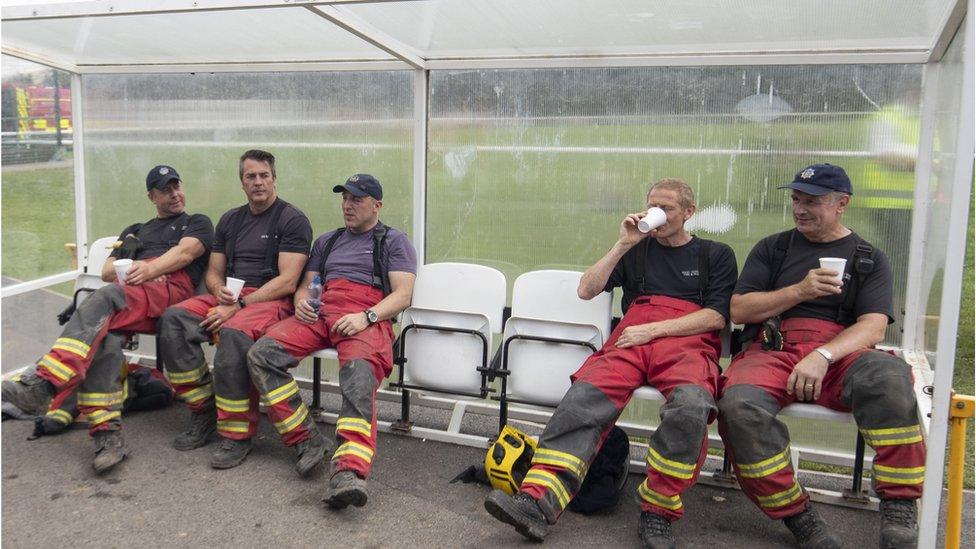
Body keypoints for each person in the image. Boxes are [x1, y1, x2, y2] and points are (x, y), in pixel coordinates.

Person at [483, 179, 738, 549]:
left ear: (689, 212)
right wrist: (623, 244)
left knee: (691, 407)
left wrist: (653, 331)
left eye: (667, 208)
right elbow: (587, 289)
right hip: (631, 342)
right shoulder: (636, 250)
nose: (658, 214)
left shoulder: (714, 254)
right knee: (583, 397)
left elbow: (716, 317)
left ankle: (658, 513)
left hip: (685, 344)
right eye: (653, 205)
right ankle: (536, 502)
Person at [717, 163, 924, 549]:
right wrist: (800, 291)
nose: (799, 209)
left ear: (841, 203)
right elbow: (740, 311)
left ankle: (899, 504)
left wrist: (823, 355)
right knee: (738, 405)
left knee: (889, 377)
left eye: (811, 201)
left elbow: (874, 327)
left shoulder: (869, 258)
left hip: (841, 352)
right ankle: (797, 515)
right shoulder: (773, 248)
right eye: (795, 199)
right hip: (774, 347)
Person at [1, 165, 213, 473]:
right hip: (132, 297)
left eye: (177, 186)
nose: (174, 193)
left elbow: (185, 254)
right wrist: (125, 252)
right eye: (165, 190)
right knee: (107, 336)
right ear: (151, 196)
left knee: (105, 298)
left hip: (170, 294)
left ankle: (47, 384)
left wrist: (147, 267)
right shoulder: (136, 229)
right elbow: (106, 271)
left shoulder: (197, 222)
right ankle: (107, 436)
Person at [247, 174, 416, 508]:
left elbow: (403, 295)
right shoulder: (327, 241)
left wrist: (366, 317)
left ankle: (348, 472)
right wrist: (300, 302)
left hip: (365, 314)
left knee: (358, 373)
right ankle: (307, 439)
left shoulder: (394, 241)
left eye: (356, 199)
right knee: (261, 353)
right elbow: (307, 283)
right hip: (321, 313)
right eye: (344, 198)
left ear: (376, 205)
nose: (347, 205)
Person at [156, 149, 318, 474]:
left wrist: (238, 306)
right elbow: (213, 272)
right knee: (173, 320)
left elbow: (288, 282)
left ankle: (236, 434)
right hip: (232, 298)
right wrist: (220, 293)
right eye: (250, 176)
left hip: (269, 300)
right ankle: (204, 410)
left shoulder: (292, 220)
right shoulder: (230, 219)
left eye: (264, 176)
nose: (258, 182)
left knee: (234, 334)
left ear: (274, 179)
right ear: (241, 182)